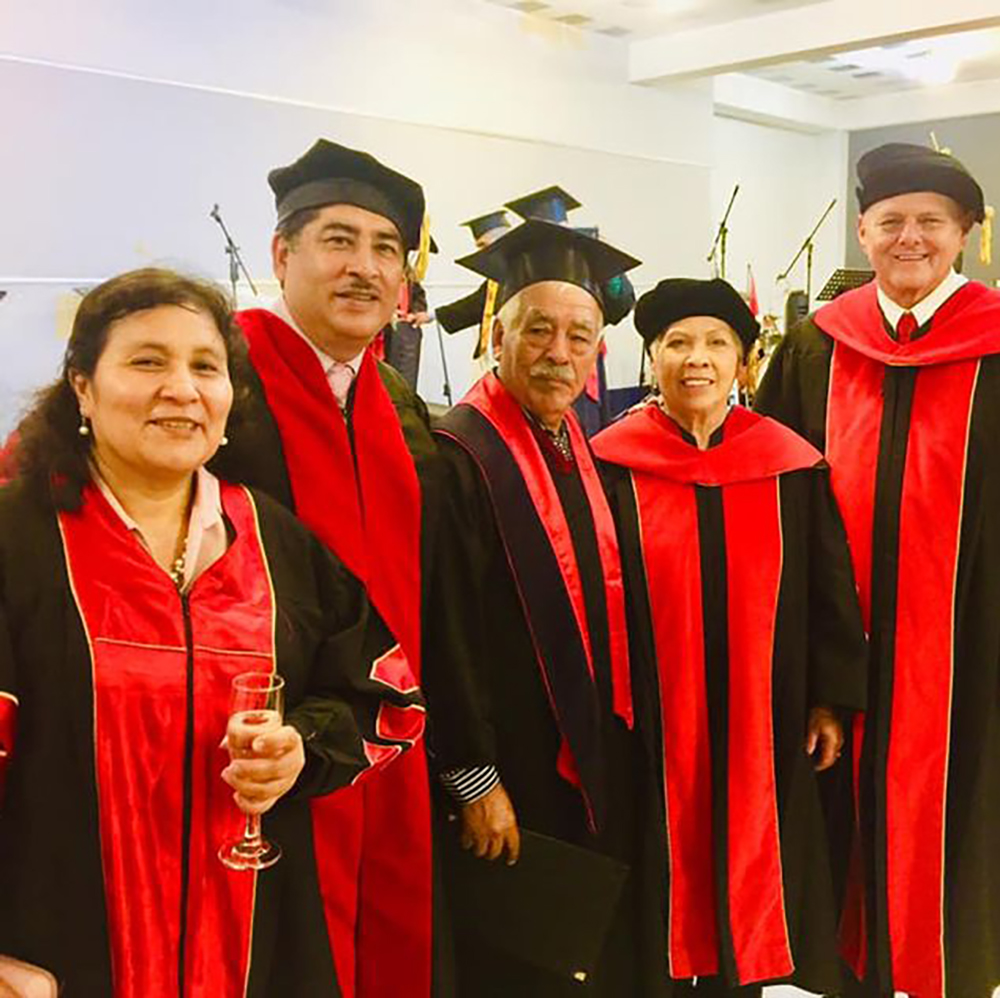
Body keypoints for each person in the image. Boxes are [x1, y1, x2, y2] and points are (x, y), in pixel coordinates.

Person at [0, 268, 424, 997]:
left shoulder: (274, 542)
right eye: (147, 361)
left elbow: (383, 696)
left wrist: (302, 747)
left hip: (255, 947)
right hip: (57, 954)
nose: (182, 388)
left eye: (205, 366)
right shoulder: (18, 540)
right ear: (82, 386)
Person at [755, 142, 1000, 998]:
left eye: (931, 221)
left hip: (970, 653)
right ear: (863, 232)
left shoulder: (996, 343)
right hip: (838, 648)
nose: (910, 238)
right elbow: (771, 491)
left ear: (965, 235)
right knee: (837, 815)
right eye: (891, 221)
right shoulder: (815, 346)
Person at [592, 277, 867, 998]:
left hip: (762, 720)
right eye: (677, 343)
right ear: (652, 358)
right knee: (658, 886)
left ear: (743, 363)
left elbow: (829, 591)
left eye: (717, 343)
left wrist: (829, 700)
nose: (698, 359)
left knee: (750, 884)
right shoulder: (610, 465)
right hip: (654, 724)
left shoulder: (789, 465)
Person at [210, 138, 439, 998]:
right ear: (282, 254)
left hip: (386, 740)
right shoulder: (221, 382)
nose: (365, 268)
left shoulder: (401, 407)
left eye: (386, 249)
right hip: (252, 754)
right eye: (339, 241)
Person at [425, 219, 665, 996]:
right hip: (512, 772)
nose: (558, 352)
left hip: (587, 758)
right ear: (497, 336)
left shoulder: (577, 447)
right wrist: (472, 778)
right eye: (537, 330)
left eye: (579, 336)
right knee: (519, 965)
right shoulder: (460, 456)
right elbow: (442, 633)